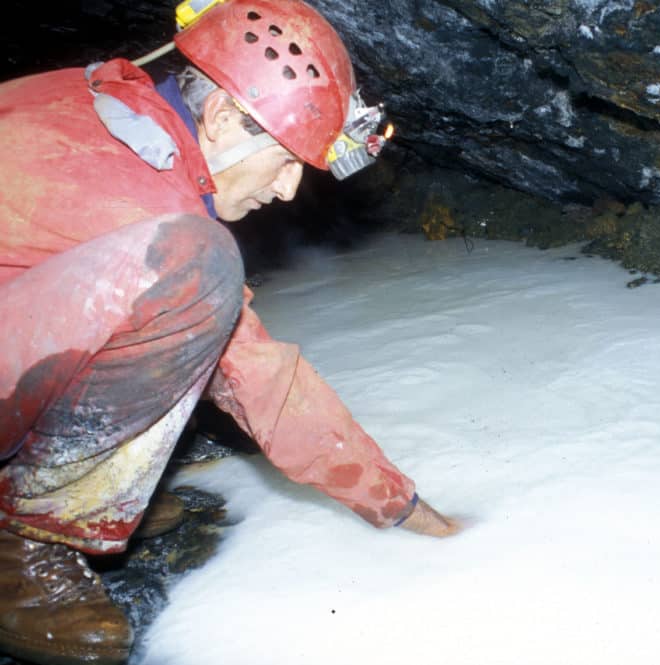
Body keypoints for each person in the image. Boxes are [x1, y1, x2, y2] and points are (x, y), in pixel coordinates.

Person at [0, 1, 459, 663]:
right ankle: (26, 547)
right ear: (220, 118)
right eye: (284, 160)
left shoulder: (102, 100)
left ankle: (62, 488)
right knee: (196, 266)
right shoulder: (144, 191)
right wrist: (409, 510)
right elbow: (261, 382)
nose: (288, 188)